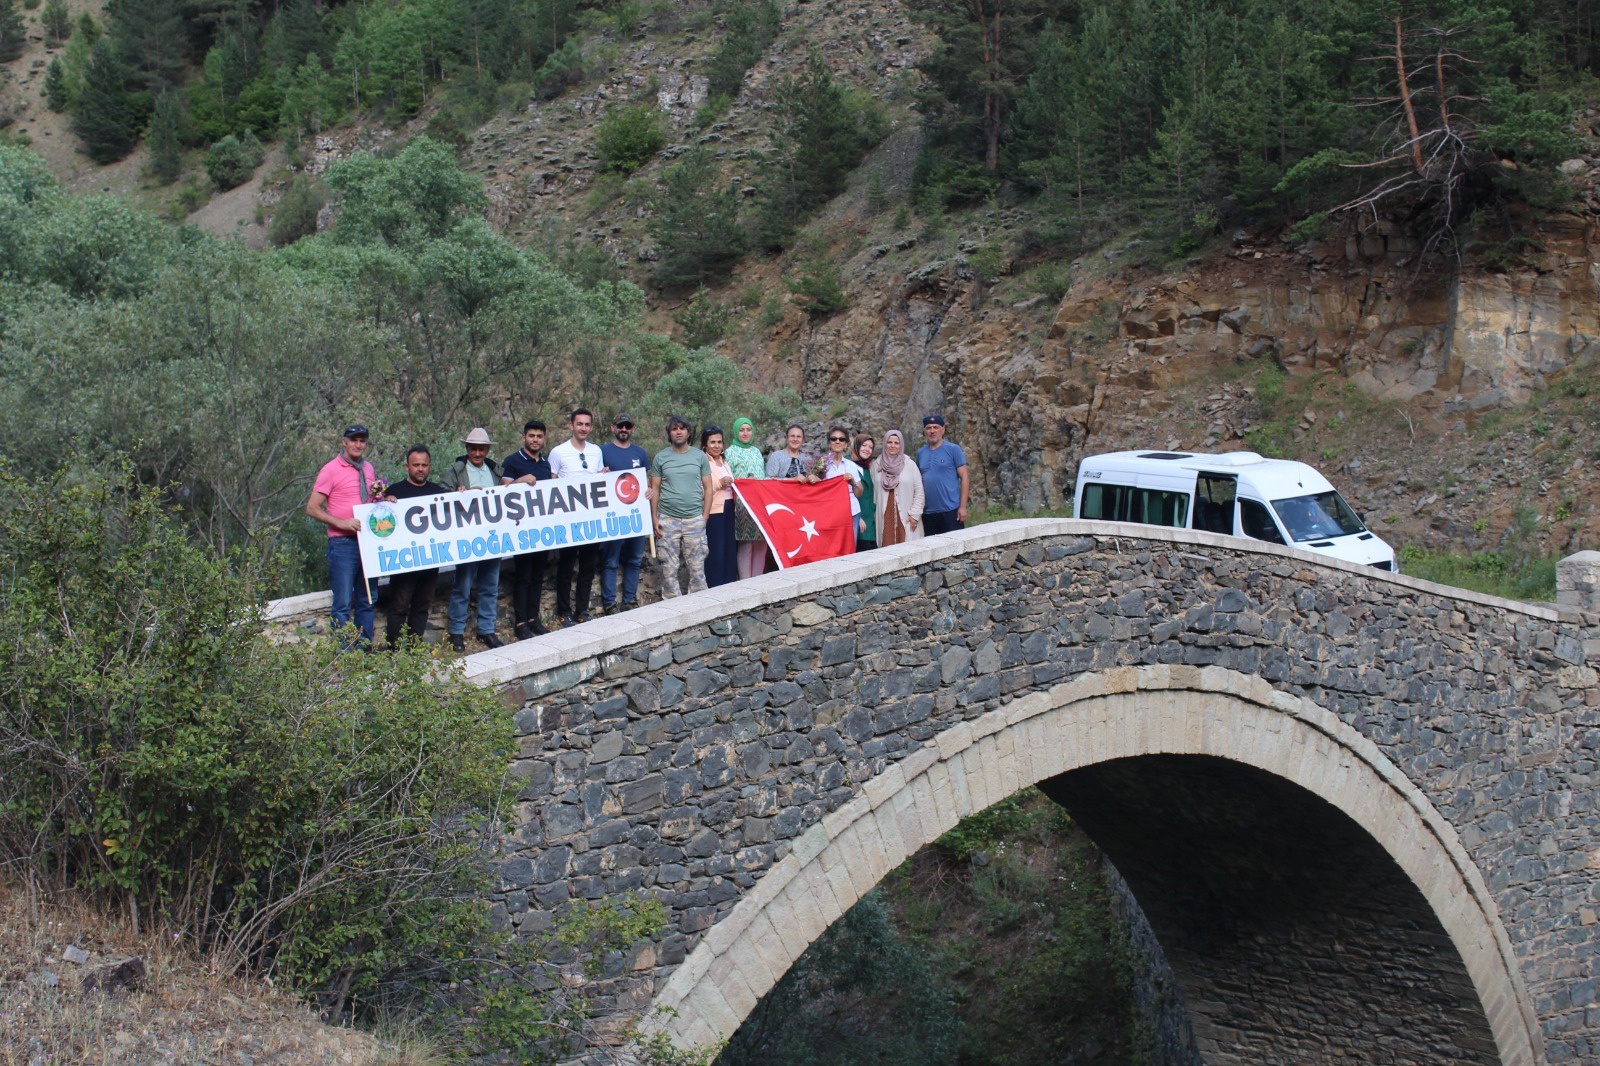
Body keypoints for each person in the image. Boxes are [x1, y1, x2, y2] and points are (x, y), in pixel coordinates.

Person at [306, 423, 379, 646]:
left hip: (367, 542)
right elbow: (312, 508)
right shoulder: (330, 469)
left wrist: (385, 501)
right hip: (343, 544)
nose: (358, 444)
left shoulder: (368, 468)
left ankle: (364, 649)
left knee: (367, 598)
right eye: (354, 439)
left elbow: (370, 501)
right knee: (343, 602)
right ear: (344, 442)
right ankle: (344, 654)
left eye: (362, 440)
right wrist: (342, 523)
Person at [443, 427, 505, 652]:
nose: (477, 453)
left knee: (490, 584)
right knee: (463, 585)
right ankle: (457, 632)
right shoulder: (456, 471)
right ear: (467, 449)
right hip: (467, 538)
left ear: (487, 450)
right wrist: (456, 493)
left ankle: (487, 630)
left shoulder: (495, 471)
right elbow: (442, 499)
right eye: (473, 449)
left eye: (481, 449)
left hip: (492, 536)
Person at [383, 445, 447, 647]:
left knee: (422, 605)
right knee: (399, 606)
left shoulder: (437, 492)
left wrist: (462, 494)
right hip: (404, 562)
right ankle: (392, 649)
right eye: (416, 465)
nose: (420, 469)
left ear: (429, 466)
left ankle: (414, 651)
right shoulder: (394, 491)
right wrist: (384, 503)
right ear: (407, 466)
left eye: (424, 465)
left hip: (429, 560)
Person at [547, 408, 603, 625]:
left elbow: (598, 480)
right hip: (568, 520)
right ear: (571, 425)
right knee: (566, 566)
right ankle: (564, 610)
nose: (583, 428)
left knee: (588, 567)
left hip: (592, 519)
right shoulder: (558, 452)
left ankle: (582, 610)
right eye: (579, 424)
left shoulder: (596, 451)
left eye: (587, 424)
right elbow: (551, 485)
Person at [649, 415, 713, 598]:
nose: (678, 432)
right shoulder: (661, 457)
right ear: (669, 433)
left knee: (697, 567)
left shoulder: (699, 456)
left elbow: (708, 488)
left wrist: (705, 516)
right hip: (668, 519)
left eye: (682, 428)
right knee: (668, 569)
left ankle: (699, 606)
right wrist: (654, 517)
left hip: (694, 518)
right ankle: (672, 609)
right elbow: (655, 488)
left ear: (688, 432)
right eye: (674, 429)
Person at [500, 420, 553, 639]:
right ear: (524, 437)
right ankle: (521, 623)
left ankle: (534, 619)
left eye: (539, 436)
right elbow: (501, 490)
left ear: (544, 439)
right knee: (523, 577)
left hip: (541, 529)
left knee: (538, 576)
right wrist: (520, 481)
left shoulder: (545, 464)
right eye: (531, 436)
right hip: (521, 531)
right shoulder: (512, 461)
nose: (535, 440)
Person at [599, 413, 650, 613]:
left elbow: (645, 482)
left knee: (634, 560)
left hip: (636, 516)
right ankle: (609, 602)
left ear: (633, 429)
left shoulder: (641, 453)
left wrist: (650, 491)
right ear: (613, 428)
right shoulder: (602, 451)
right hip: (613, 516)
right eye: (620, 426)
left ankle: (630, 600)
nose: (624, 429)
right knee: (610, 561)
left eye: (627, 426)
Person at [727, 417, 767, 579]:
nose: (745, 433)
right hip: (742, 504)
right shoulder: (730, 452)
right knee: (746, 542)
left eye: (748, 429)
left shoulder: (757, 451)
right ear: (736, 431)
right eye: (742, 430)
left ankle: (759, 579)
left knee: (761, 541)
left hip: (760, 503)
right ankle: (745, 581)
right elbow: (728, 477)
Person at [916, 413, 968, 535]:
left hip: (950, 510)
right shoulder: (920, 453)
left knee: (955, 547)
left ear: (943, 430)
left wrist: (963, 507)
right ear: (925, 431)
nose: (932, 431)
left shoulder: (953, 449)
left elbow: (965, 477)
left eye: (936, 427)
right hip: (928, 512)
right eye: (928, 428)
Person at [872, 429, 925, 547]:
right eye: (889, 442)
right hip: (885, 517)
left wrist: (915, 515)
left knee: (908, 548)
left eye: (896, 443)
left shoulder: (909, 464)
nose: (893, 446)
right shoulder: (876, 465)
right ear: (885, 443)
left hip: (906, 516)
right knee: (886, 550)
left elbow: (919, 491)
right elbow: (872, 493)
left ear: (901, 445)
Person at [701, 426, 737, 586]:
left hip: (729, 508)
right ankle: (715, 585)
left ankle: (729, 583)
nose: (716, 446)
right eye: (712, 442)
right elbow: (700, 487)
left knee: (729, 549)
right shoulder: (703, 462)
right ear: (705, 445)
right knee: (716, 550)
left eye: (720, 442)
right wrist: (718, 483)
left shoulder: (724, 463)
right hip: (714, 511)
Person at [820, 425, 865, 549]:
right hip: (829, 513)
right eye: (834, 439)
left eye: (842, 439)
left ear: (846, 445)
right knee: (830, 548)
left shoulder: (851, 466)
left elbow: (860, 492)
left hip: (851, 512)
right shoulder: (821, 464)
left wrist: (853, 483)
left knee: (849, 547)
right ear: (829, 443)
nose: (837, 441)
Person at [852, 435, 877, 551]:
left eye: (871, 447)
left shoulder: (869, 468)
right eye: (864, 445)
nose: (867, 449)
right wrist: (858, 517)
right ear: (856, 446)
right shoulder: (848, 465)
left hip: (871, 522)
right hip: (858, 520)